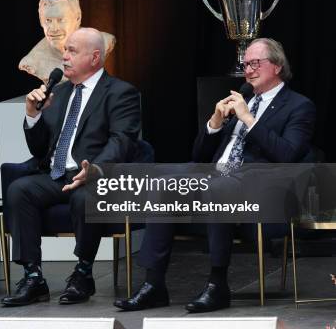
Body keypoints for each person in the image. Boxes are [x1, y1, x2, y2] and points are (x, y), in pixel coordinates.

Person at [114, 38, 316, 313]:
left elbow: (288, 155)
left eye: (255, 63)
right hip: (214, 176)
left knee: (219, 188)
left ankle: (217, 285)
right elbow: (200, 156)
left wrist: (248, 119)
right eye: (245, 65)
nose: (248, 70)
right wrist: (215, 123)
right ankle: (153, 285)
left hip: (258, 188)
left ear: (278, 66)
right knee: (164, 182)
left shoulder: (299, 106)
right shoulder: (241, 100)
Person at [2, 27, 141, 306]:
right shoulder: (60, 92)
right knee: (19, 189)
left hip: (94, 178)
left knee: (83, 195)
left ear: (95, 57)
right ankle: (33, 277)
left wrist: (95, 169)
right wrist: (32, 117)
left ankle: (83, 273)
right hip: (55, 175)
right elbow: (40, 150)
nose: (64, 57)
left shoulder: (121, 92)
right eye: (65, 50)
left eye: (72, 51)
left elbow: (122, 141)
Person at [18, 0, 115, 83]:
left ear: (77, 18)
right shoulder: (33, 61)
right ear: (40, 21)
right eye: (48, 20)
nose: (54, 29)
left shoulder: (102, 41)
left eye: (60, 20)